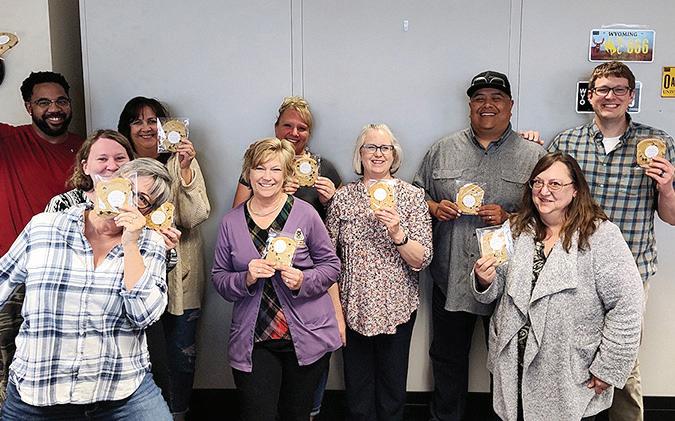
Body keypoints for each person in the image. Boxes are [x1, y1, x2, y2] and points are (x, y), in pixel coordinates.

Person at [412, 70, 546, 421]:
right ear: (470, 105)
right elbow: (415, 196)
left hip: (510, 283)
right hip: (452, 277)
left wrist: (509, 217)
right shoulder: (442, 150)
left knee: (507, 362)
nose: (488, 105)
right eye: (480, 98)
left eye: (497, 98)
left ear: (511, 106)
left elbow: (550, 214)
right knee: (447, 360)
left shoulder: (534, 156)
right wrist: (434, 207)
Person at [472, 152, 643, 421]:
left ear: (575, 190)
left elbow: (628, 305)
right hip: (513, 370)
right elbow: (495, 293)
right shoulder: (515, 228)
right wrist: (485, 280)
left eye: (555, 184)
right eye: (538, 183)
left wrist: (608, 368)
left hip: (569, 374)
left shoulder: (600, 236)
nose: (544, 191)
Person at [549, 61, 675, 421]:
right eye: (603, 89)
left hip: (630, 272)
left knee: (623, 361)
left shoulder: (658, 144)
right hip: (573, 269)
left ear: (631, 96)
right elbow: (546, 198)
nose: (611, 96)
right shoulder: (566, 143)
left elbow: (671, 217)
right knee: (570, 354)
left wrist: (667, 187)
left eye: (620, 89)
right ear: (590, 96)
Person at [0, 158, 173, 420]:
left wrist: (131, 245)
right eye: (126, 188)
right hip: (39, 391)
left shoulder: (150, 244)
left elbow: (143, 316)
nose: (128, 200)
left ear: (148, 213)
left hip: (120, 389)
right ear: (108, 185)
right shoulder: (44, 227)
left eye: (142, 199)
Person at [44, 131, 181, 405]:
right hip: (77, 316)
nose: (111, 166)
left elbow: (163, 270)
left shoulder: (144, 202)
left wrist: (163, 249)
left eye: (120, 159)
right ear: (85, 165)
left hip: (134, 307)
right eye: (102, 158)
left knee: (152, 380)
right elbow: (50, 262)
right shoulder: (64, 206)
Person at [231, 96, 345, 419]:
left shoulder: (324, 169)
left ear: (309, 133)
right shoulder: (258, 167)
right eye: (288, 125)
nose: (294, 132)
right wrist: (275, 190)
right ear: (276, 127)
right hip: (261, 304)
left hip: (309, 290)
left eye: (302, 127)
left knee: (303, 400)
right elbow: (237, 221)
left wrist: (332, 198)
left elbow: (338, 235)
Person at [326, 124, 432, 420]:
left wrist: (398, 233)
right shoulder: (343, 198)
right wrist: (336, 314)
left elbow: (422, 259)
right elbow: (328, 261)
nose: (378, 153)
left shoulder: (412, 197)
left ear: (394, 155)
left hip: (397, 309)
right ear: (359, 154)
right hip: (353, 308)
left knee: (392, 392)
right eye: (370, 147)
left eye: (385, 148)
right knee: (357, 394)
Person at [118, 97, 210, 420]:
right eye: (137, 121)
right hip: (133, 272)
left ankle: (178, 413)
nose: (146, 128)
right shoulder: (121, 168)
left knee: (180, 356)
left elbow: (195, 215)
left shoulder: (179, 162)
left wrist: (184, 170)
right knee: (136, 351)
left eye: (152, 121)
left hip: (181, 275)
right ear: (126, 128)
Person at [0, 71, 83, 404]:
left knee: (58, 372)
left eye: (61, 101)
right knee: (5, 369)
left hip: (63, 280)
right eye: (43, 102)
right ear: (28, 106)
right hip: (12, 279)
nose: (54, 109)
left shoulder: (85, 151)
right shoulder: (8, 141)